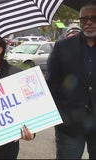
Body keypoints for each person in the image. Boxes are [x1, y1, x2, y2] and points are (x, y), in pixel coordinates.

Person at [46, 1, 96, 159]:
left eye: (94, 18)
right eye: (84, 19)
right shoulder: (62, 47)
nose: (88, 22)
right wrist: (59, 114)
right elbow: (51, 84)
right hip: (69, 126)